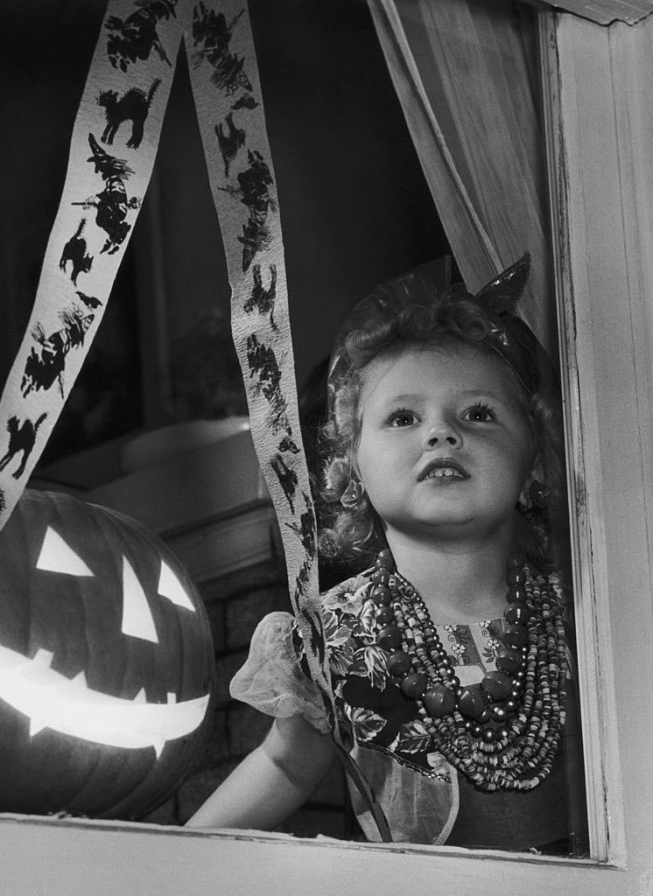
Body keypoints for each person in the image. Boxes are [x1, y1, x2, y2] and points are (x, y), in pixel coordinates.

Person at [187, 255, 587, 852]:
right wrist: (172, 856)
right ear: (353, 473)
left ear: (533, 467)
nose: (441, 433)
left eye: (478, 413)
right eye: (403, 417)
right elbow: (286, 765)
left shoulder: (585, 612)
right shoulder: (337, 638)